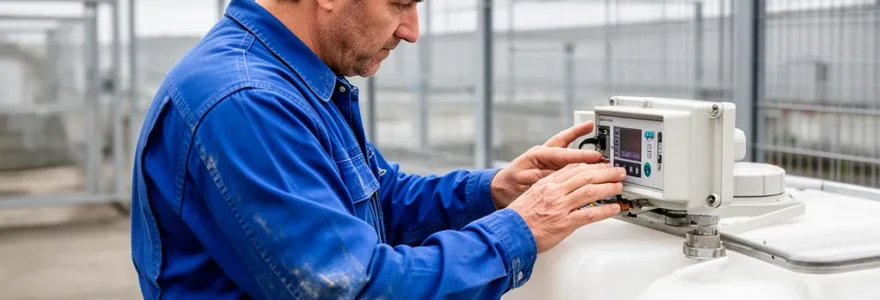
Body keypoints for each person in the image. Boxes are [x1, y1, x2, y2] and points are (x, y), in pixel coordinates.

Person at [129, 0, 626, 299]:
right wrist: (521, 229)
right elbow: (351, 288)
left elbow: (378, 197)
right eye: (398, 4)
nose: (411, 31)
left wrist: (494, 191)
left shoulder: (294, 83)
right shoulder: (248, 105)